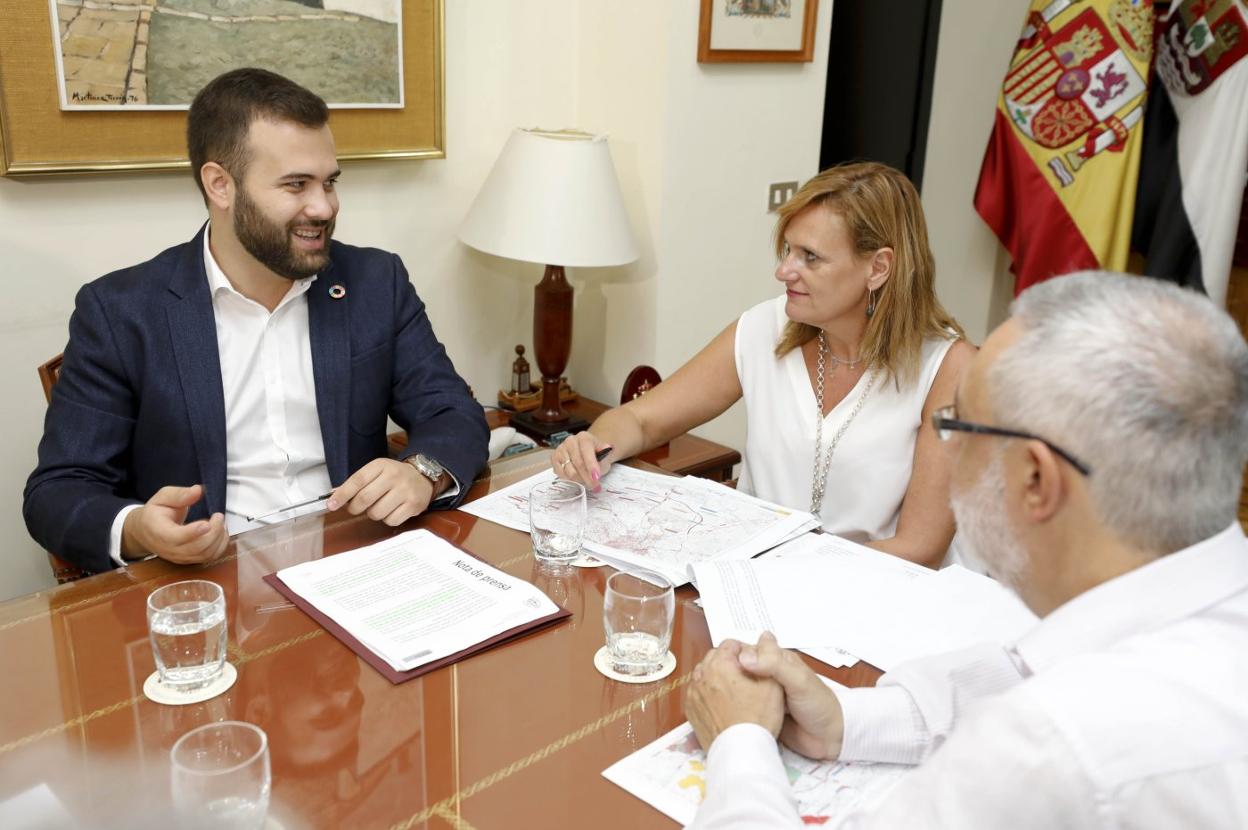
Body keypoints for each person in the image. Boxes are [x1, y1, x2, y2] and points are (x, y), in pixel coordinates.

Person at [685, 272, 1248, 828]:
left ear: (1035, 480)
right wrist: (848, 718)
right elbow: (1021, 669)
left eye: (960, 429)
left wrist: (740, 741)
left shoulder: (1054, 743)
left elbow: (1041, 720)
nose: (947, 455)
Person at [23, 68, 488, 574]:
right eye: (296, 185)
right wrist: (137, 528)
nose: (324, 206)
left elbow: (453, 412)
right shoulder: (122, 311)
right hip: (206, 581)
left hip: (357, 565)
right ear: (220, 184)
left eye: (329, 182)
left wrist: (423, 472)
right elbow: (58, 490)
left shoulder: (376, 281)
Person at [553, 163, 973, 566]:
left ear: (878, 267)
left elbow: (920, 548)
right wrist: (594, 445)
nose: (783, 271)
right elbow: (642, 421)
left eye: (810, 257)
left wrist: (795, 569)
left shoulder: (948, 369)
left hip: (869, 601)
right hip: (748, 584)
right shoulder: (765, 329)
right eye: (788, 250)